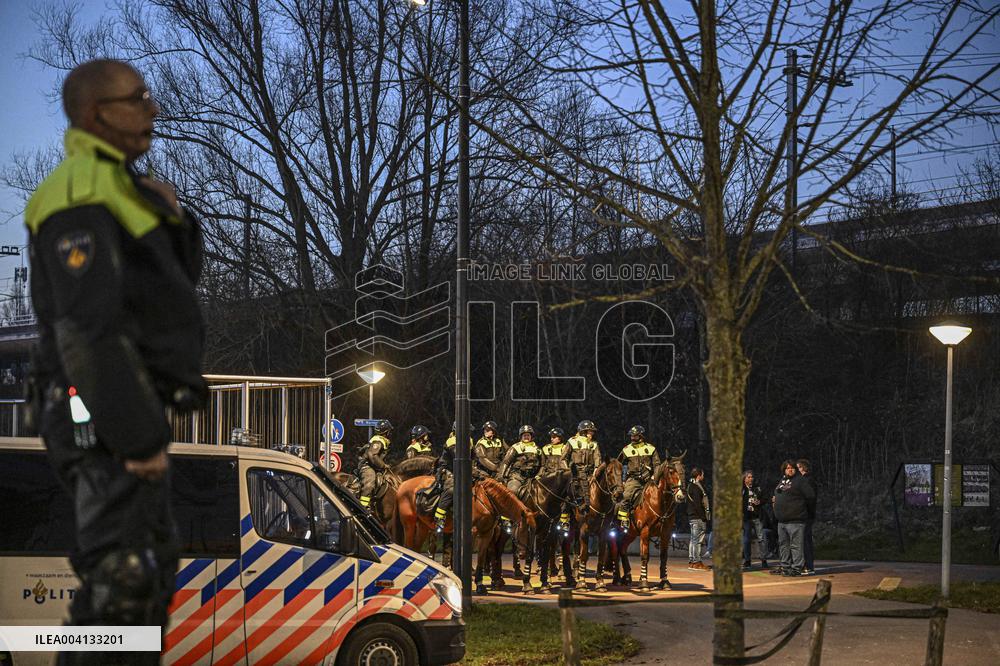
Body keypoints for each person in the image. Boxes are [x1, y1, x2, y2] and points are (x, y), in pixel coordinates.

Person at [26, 59, 206, 662]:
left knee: (143, 577)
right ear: (94, 114)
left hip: (119, 410)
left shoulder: (120, 189)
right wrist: (136, 437)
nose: (152, 108)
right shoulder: (77, 193)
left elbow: (166, 295)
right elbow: (87, 333)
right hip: (99, 413)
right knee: (123, 581)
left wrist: (175, 221)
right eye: (137, 98)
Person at [772, 459, 816, 576]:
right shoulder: (783, 480)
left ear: (795, 470)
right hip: (782, 520)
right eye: (787, 468)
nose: (790, 470)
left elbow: (811, 496)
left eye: (792, 468)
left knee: (796, 545)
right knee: (784, 545)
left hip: (796, 519)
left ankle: (797, 568)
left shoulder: (800, 481)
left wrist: (801, 509)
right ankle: (785, 566)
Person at [615, 426, 660, 533]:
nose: (632, 437)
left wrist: (655, 476)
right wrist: (621, 480)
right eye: (631, 435)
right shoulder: (626, 449)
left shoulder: (651, 448)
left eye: (634, 435)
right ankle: (624, 519)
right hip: (633, 480)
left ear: (641, 436)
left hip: (649, 479)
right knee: (625, 497)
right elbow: (617, 465)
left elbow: (657, 464)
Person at [564, 420, 602, 512]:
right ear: (583, 431)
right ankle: (565, 519)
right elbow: (564, 458)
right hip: (575, 474)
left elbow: (597, 459)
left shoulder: (594, 444)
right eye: (590, 431)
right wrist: (567, 471)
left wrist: (595, 472)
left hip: (590, 474)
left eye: (592, 431)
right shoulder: (572, 441)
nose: (592, 433)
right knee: (567, 496)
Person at [497, 425, 541, 498]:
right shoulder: (515, 447)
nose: (526, 437)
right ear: (521, 436)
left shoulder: (537, 449)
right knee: (512, 491)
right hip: (517, 477)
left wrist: (539, 475)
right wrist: (500, 477)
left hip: (532, 478)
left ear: (531, 436)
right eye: (524, 435)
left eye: (528, 435)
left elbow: (542, 464)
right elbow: (505, 462)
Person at [357, 420, 393, 510]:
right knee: (370, 482)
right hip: (367, 466)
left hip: (375, 467)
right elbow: (372, 455)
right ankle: (363, 507)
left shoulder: (382, 441)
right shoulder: (378, 440)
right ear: (386, 431)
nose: (390, 433)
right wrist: (383, 465)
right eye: (389, 431)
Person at [541, 427, 571, 532]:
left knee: (567, 498)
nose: (552, 439)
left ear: (560, 438)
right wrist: (539, 475)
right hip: (548, 478)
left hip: (561, 478)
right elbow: (542, 465)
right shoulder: (545, 448)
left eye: (554, 437)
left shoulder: (565, 448)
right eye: (551, 437)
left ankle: (564, 520)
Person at [686, 467, 711, 570]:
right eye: (702, 474)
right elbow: (698, 504)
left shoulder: (690, 486)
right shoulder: (696, 487)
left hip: (692, 517)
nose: (703, 476)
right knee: (697, 541)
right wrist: (703, 517)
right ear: (698, 476)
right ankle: (697, 563)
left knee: (693, 540)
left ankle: (692, 561)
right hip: (697, 517)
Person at [742, 470, 767, 569]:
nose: (751, 479)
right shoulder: (741, 489)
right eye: (748, 477)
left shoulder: (758, 488)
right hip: (746, 518)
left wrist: (759, 502)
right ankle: (747, 560)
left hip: (757, 517)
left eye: (752, 477)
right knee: (746, 540)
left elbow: (765, 499)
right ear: (744, 478)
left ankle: (764, 560)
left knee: (762, 538)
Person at [797, 458, 817, 574]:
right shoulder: (808, 480)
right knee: (805, 540)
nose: (798, 470)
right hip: (808, 514)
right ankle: (808, 565)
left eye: (799, 467)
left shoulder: (806, 480)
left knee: (805, 540)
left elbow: (809, 497)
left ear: (804, 468)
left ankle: (808, 566)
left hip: (806, 514)